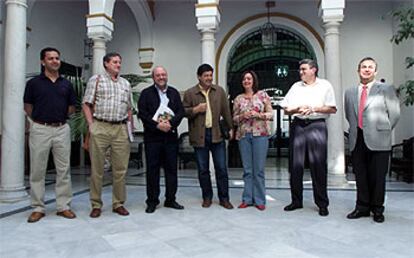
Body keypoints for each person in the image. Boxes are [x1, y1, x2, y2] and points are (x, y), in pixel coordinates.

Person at [24, 47, 77, 223]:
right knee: (37, 170)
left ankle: (63, 206)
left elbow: (71, 107)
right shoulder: (33, 84)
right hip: (40, 129)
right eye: (51, 58)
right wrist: (40, 121)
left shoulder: (66, 84)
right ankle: (38, 207)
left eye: (57, 58)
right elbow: (28, 107)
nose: (55, 61)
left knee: (64, 170)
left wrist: (59, 119)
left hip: (62, 129)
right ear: (43, 62)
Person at [344, 57, 400, 223]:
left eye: (370, 67)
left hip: (379, 140)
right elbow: (349, 114)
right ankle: (362, 207)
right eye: (363, 67)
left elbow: (394, 114)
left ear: (375, 71)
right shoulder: (350, 92)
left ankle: (377, 209)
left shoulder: (386, 89)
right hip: (357, 139)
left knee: (377, 177)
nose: (367, 69)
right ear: (358, 70)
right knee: (360, 176)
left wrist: (383, 129)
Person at [281, 59, 337, 216]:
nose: (301, 72)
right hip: (298, 125)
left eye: (304, 69)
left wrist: (313, 109)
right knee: (295, 165)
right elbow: (286, 109)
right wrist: (297, 109)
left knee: (318, 165)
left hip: (317, 126)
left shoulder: (325, 85)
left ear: (314, 70)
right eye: (300, 70)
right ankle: (296, 201)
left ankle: (322, 203)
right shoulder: (295, 87)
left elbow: (332, 109)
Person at [82, 52, 133, 218]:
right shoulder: (96, 80)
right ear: (106, 64)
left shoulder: (125, 83)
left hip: (120, 128)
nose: (118, 65)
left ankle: (118, 203)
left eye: (119, 62)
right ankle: (96, 204)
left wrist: (129, 130)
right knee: (97, 169)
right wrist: (91, 126)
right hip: (100, 126)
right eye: (115, 62)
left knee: (120, 169)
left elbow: (129, 109)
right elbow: (86, 104)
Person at [183, 64, 234, 209]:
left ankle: (224, 198)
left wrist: (230, 128)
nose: (209, 78)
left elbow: (226, 112)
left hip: (217, 134)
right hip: (199, 135)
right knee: (203, 169)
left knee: (221, 168)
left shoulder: (219, 91)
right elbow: (183, 112)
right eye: (206, 75)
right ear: (199, 77)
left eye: (210, 75)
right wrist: (195, 109)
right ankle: (207, 197)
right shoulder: (190, 93)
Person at [138, 66, 185, 213]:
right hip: (153, 138)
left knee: (172, 170)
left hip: (170, 138)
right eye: (158, 75)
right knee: (152, 171)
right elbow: (143, 114)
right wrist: (157, 125)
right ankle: (152, 201)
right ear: (153, 77)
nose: (161, 77)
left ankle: (170, 199)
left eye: (163, 74)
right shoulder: (146, 94)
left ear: (167, 76)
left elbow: (180, 111)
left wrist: (170, 124)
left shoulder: (174, 92)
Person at [232, 70, 273, 211]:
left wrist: (258, 114)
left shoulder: (263, 96)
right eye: (244, 79)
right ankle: (247, 199)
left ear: (254, 80)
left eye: (249, 79)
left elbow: (271, 114)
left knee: (259, 170)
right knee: (247, 170)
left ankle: (260, 200)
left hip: (260, 135)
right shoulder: (238, 99)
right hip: (244, 136)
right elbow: (234, 119)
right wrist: (243, 115)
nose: (246, 81)